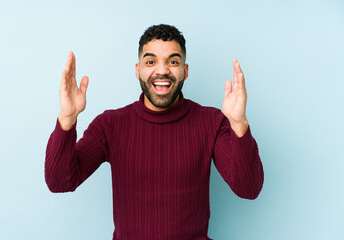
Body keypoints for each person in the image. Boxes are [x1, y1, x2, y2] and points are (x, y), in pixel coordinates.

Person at [45, 24, 264, 240]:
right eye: (150, 62)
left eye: (173, 61)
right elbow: (59, 182)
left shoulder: (212, 122)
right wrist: (67, 118)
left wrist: (239, 124)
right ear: (138, 70)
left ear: (185, 71)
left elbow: (248, 188)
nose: (162, 70)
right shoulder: (110, 125)